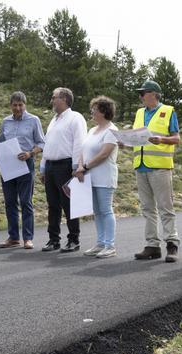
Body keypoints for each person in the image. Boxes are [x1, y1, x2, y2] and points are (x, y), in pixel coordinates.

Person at [131, 80, 181, 263]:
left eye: (143, 93)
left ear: (153, 94)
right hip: (141, 166)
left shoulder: (168, 111)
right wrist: (126, 141)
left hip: (160, 166)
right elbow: (137, 137)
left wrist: (161, 139)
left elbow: (176, 138)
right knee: (147, 208)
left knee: (165, 207)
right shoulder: (139, 113)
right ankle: (152, 245)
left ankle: (172, 244)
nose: (140, 96)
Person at [0, 91, 45, 249]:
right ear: (10, 106)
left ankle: (28, 238)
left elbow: (42, 143)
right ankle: (13, 237)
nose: (17, 108)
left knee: (25, 201)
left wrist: (30, 153)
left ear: (25, 105)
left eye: (20, 105)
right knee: (10, 202)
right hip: (7, 165)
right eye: (15, 105)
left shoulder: (33, 120)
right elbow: (0, 140)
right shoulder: (6, 121)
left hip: (26, 164)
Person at [40, 87, 87, 252]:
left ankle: (74, 239)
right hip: (51, 166)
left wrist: (76, 167)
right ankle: (54, 239)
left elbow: (79, 143)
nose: (52, 100)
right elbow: (48, 143)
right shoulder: (54, 119)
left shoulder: (75, 118)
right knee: (52, 204)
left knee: (69, 204)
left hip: (66, 166)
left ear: (64, 99)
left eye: (54, 97)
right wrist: (43, 167)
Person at [74, 96, 119, 258]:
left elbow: (104, 154)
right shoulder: (92, 130)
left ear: (103, 111)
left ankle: (110, 245)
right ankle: (100, 243)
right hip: (89, 177)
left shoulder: (112, 130)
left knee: (106, 210)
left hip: (104, 177)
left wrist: (85, 167)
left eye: (94, 109)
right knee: (97, 212)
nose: (91, 112)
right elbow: (83, 150)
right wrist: (80, 166)